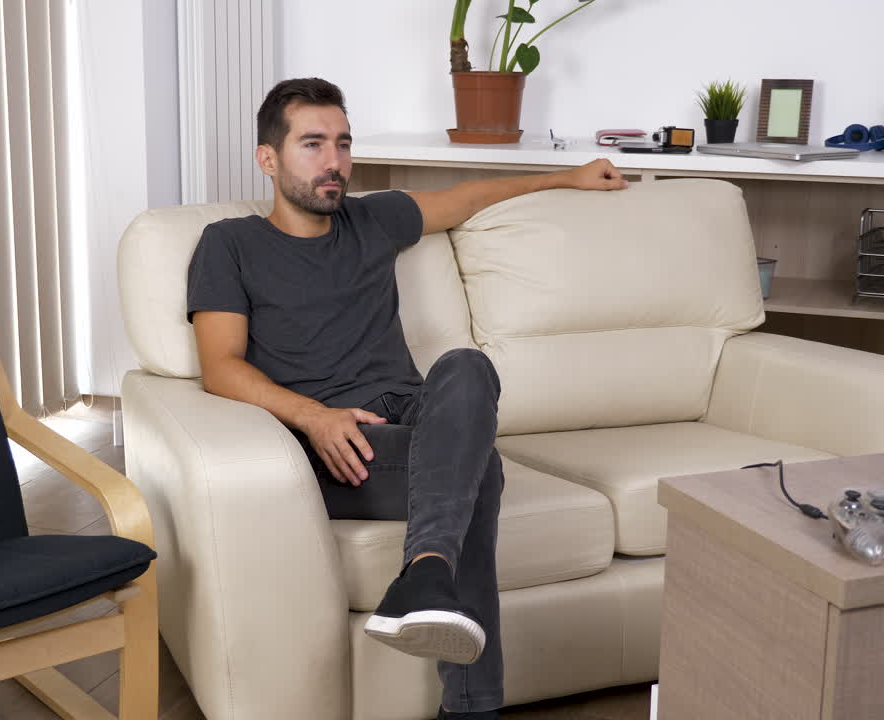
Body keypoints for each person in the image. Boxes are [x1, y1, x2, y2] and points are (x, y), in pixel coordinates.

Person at [186, 77, 627, 720]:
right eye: (312, 144)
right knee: (485, 469)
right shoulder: (230, 244)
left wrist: (567, 177)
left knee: (468, 365)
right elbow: (219, 368)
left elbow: (467, 197)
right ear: (268, 158)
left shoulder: (373, 217)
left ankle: (425, 572)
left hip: (411, 415)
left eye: (342, 143)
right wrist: (313, 416)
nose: (334, 161)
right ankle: (470, 703)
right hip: (331, 443)